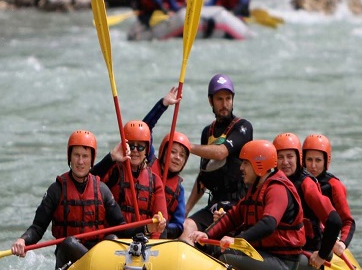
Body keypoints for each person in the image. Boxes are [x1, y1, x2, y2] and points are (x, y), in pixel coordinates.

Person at [11, 130, 148, 270]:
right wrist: (23, 240)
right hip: (68, 262)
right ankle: (95, 268)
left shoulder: (102, 190)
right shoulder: (56, 190)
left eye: (85, 156)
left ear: (92, 159)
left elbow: (121, 227)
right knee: (69, 242)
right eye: (76, 155)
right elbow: (37, 228)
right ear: (69, 157)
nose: (80, 161)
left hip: (98, 261)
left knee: (112, 238)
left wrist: (147, 228)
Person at [189, 140, 306, 270]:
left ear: (259, 166)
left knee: (226, 256)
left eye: (245, 163)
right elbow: (232, 217)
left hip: (283, 264)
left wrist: (237, 241)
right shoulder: (255, 189)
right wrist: (207, 234)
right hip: (262, 253)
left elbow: (269, 224)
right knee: (208, 247)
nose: (241, 167)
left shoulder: (277, 189)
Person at [180, 74, 253, 243]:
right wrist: (186, 209)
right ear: (210, 101)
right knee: (186, 227)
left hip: (237, 207)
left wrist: (186, 146)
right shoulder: (208, 132)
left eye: (228, 98)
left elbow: (221, 153)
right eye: (219, 99)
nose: (225, 104)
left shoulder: (243, 127)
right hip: (214, 205)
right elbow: (203, 178)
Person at [273, 132, 342, 270]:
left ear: (298, 158)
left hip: (309, 252)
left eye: (290, 156)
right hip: (282, 247)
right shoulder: (271, 181)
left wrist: (322, 255)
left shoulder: (307, 185)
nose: (285, 162)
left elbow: (335, 221)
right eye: (280, 157)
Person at [91, 120, 168, 239]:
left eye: (140, 147)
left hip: (144, 238)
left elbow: (160, 222)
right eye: (131, 146)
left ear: (147, 150)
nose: (135, 151)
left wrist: (153, 246)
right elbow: (89, 182)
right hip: (115, 238)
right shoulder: (113, 172)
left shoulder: (155, 181)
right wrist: (110, 157)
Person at [141, 86, 187, 239]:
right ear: (163, 152)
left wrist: (162, 226)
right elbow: (144, 130)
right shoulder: (148, 159)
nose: (177, 157)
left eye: (182, 155)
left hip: (158, 235)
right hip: (137, 227)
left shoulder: (179, 190)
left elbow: (179, 225)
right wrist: (163, 105)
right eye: (173, 152)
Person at [303, 134, 356, 257]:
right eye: (309, 160)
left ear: (326, 161)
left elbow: (348, 221)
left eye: (318, 160)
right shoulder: (298, 181)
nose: (313, 165)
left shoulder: (334, 186)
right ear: (303, 160)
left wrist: (342, 243)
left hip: (323, 243)